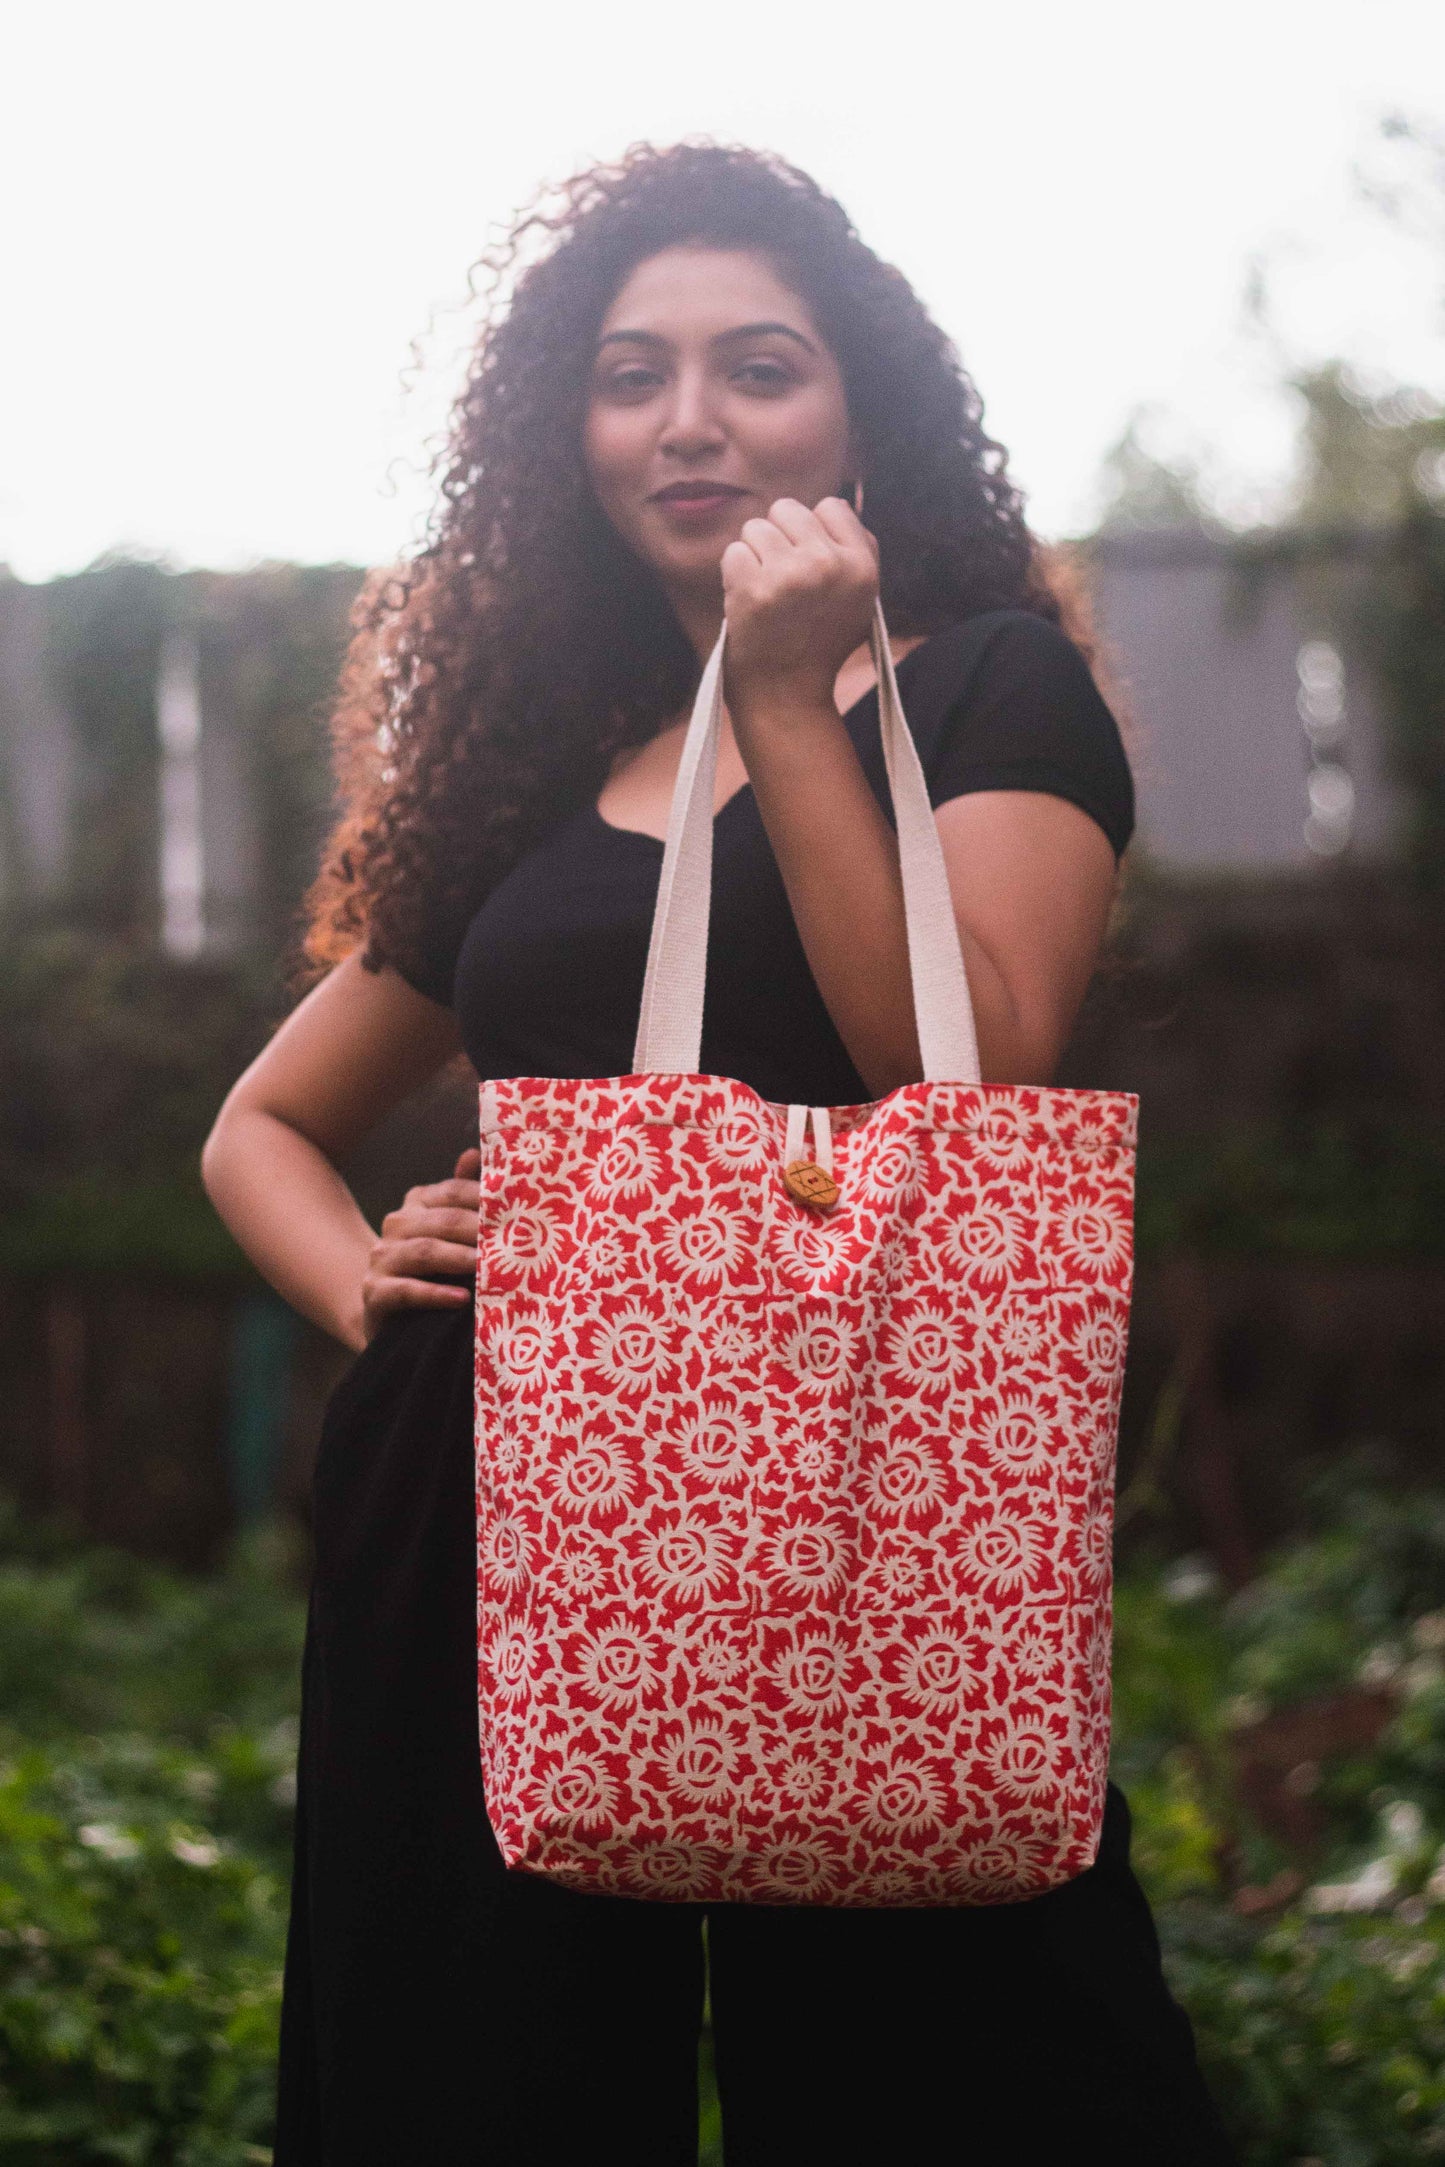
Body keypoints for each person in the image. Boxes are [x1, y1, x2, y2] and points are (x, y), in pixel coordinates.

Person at [203, 142, 1234, 2166]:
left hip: (869, 1483)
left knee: (963, 2058)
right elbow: (262, 1124)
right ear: (563, 431)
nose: (690, 420)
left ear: (861, 406)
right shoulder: (533, 761)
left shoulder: (990, 688)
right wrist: (367, 1281)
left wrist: (785, 695)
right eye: (629, 373)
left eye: (757, 366)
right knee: (472, 2078)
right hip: (490, 1492)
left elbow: (963, 1061)